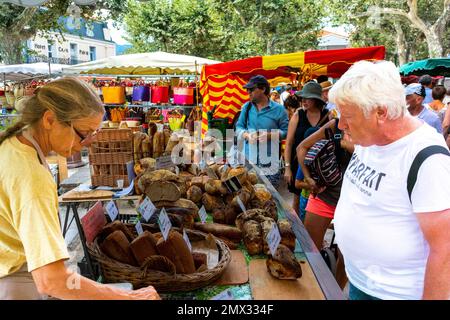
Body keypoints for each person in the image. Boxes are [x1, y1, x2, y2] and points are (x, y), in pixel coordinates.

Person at [0, 77, 160, 300]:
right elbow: (51, 280)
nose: (89, 142)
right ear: (49, 119)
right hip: (17, 285)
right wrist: (128, 298)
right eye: (84, 133)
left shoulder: (13, 146)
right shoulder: (31, 177)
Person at [329, 60, 450, 300]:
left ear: (381, 113)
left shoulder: (428, 159)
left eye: (347, 116)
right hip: (361, 283)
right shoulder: (370, 138)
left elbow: (445, 249)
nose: (341, 125)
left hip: (396, 294)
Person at [296, 117, 354, 290]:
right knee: (309, 250)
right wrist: (308, 178)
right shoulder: (336, 125)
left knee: (347, 259)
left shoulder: (375, 129)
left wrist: (345, 144)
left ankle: (334, 293)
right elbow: (302, 147)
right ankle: (311, 291)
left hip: (353, 204)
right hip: (324, 197)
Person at [283, 82, 329, 216]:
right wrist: (287, 167)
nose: (303, 101)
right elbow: (289, 142)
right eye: (302, 98)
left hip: (319, 167)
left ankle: (311, 232)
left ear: (316, 99)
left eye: (307, 98)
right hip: (298, 163)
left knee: (317, 201)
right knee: (297, 201)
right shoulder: (298, 115)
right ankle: (298, 234)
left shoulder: (328, 116)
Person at [236, 75, 289, 188]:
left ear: (263, 89)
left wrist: (270, 135)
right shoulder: (247, 107)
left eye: (251, 89)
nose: (248, 93)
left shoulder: (279, 110)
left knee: (270, 198)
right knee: (248, 196)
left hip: (270, 162)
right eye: (247, 90)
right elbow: (239, 127)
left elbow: (287, 132)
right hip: (249, 160)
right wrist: (247, 135)